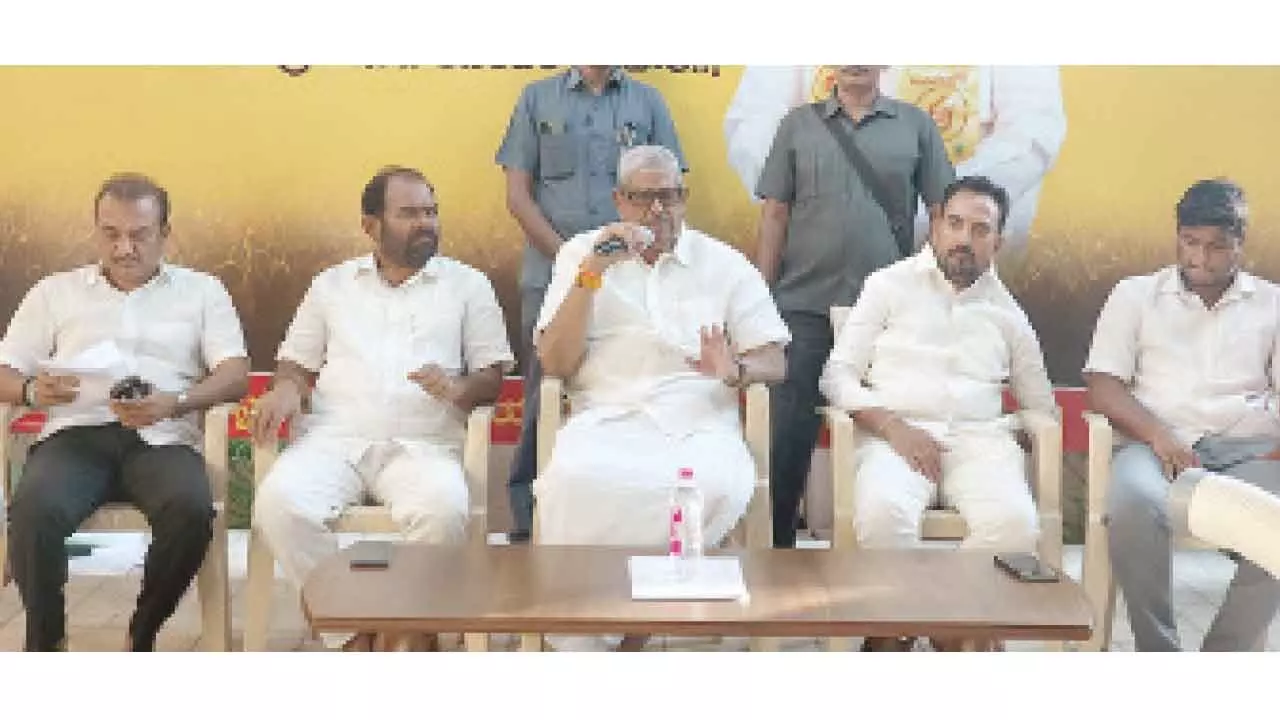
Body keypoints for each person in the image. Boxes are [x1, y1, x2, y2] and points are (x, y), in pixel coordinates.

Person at [534, 145, 788, 651]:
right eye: (642, 198)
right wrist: (593, 273)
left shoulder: (723, 264)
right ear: (618, 201)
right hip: (606, 419)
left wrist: (735, 368)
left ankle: (632, 628)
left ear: (684, 198)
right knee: (571, 481)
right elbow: (555, 364)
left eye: (667, 197)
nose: (656, 211)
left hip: (698, 424)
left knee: (713, 484)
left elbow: (775, 362)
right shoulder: (581, 255)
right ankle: (589, 637)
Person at [250, 166, 514, 650]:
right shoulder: (332, 285)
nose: (425, 223)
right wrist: (287, 387)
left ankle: (407, 630)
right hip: (335, 440)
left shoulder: (468, 286)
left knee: (443, 511)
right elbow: (295, 362)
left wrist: (457, 388)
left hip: (425, 445)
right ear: (371, 226)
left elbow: (492, 378)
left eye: (431, 212)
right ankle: (352, 632)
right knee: (279, 504)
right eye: (409, 213)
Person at [0, 173, 250, 651]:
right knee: (34, 509)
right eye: (110, 234)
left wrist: (176, 402)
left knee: (191, 510)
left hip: (163, 436)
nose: (123, 249)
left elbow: (235, 373)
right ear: (96, 231)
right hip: (77, 435)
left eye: (139, 235)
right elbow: (4, 369)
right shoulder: (55, 293)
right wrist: (32, 389)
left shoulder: (202, 292)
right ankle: (45, 644)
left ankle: (144, 631)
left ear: (166, 235)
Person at [820, 175, 1055, 651]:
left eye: (980, 229)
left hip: (979, 441)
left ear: (998, 242)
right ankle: (923, 627)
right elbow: (836, 376)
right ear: (935, 227)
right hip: (895, 437)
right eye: (955, 224)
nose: (964, 239)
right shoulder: (887, 286)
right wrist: (892, 426)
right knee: (883, 512)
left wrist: (1027, 437)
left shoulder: (1008, 313)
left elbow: (1040, 403)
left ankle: (936, 623)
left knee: (1016, 525)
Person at [753, 65, 954, 548]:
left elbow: (944, 211)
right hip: (803, 304)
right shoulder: (797, 125)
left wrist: (938, 291)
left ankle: (876, 557)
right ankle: (778, 557)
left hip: (887, 314)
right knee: (787, 436)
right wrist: (760, 300)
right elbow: (775, 214)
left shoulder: (915, 126)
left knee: (885, 428)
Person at [1084, 178, 1280, 651]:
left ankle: (1221, 658)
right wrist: (1158, 434)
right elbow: (1103, 385)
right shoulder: (1135, 295)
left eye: (1216, 247)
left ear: (1240, 244)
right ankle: (1160, 654)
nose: (1200, 258)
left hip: (1248, 450)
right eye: (1190, 243)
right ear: (1177, 235)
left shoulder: (1273, 304)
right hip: (1155, 448)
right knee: (1132, 503)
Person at [495, 65, 687, 542]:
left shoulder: (648, 102)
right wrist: (577, 261)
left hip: (638, 279)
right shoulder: (537, 99)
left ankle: (621, 510)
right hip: (553, 274)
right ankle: (530, 519)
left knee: (627, 386)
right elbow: (518, 196)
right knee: (544, 394)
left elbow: (671, 189)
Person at [724, 64, 1066, 249]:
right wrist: (816, 198)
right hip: (821, 249)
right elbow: (753, 123)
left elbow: (1030, 135)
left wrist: (935, 210)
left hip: (951, 263)